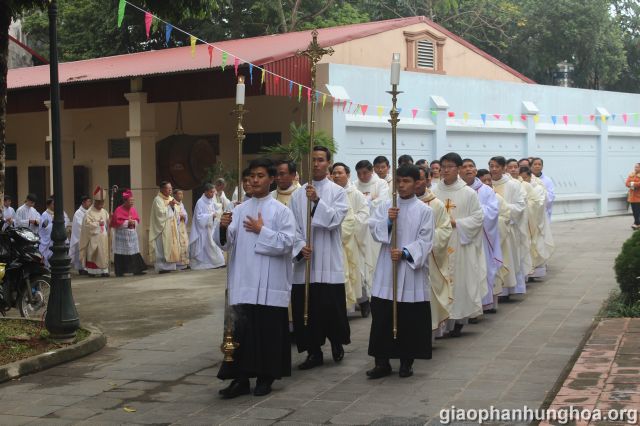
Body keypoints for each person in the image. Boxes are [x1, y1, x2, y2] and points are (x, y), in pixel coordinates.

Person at [214, 158, 296, 399]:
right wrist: (222, 226)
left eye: (260, 176)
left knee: (266, 331)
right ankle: (239, 378)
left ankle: (265, 377)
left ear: (271, 179)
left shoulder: (282, 211)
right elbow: (226, 242)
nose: (255, 180)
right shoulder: (238, 210)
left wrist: (263, 231)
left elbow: (287, 243)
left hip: (270, 282)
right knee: (242, 332)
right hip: (243, 280)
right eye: (251, 176)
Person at [367, 164, 434, 379]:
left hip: (410, 271)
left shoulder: (425, 211)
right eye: (399, 181)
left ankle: (407, 361)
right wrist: (388, 221)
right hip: (387, 269)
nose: (402, 185)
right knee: (383, 316)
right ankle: (382, 361)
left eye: (406, 181)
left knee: (409, 319)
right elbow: (374, 230)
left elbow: (426, 241)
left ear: (417, 183)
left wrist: (405, 252)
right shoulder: (386, 205)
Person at [289, 146, 349, 370]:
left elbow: (334, 220)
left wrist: (316, 201)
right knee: (307, 308)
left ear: (328, 163)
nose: (316, 164)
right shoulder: (297, 194)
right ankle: (313, 351)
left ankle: (336, 342)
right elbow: (292, 226)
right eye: (313, 159)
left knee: (330, 307)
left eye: (321, 160)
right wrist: (299, 246)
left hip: (328, 258)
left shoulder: (337, 192)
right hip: (306, 261)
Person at [433, 153, 486, 337]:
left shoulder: (468, 193)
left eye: (450, 166)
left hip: (460, 242)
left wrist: (458, 223)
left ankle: (457, 321)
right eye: (443, 166)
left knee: (459, 281)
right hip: (440, 242)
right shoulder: (434, 191)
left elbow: (478, 218)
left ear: (458, 169)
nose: (445, 170)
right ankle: (440, 321)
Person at [461, 159, 502, 314]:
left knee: (482, 268)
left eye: (471, 166)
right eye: (464, 167)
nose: (468, 169)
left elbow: (493, 212)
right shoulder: (456, 190)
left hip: (481, 237)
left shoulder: (485, 190)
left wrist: (475, 213)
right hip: (461, 236)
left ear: (476, 170)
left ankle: (483, 303)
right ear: (459, 170)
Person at [415, 166, 452, 334]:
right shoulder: (397, 203)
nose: (416, 183)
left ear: (428, 179)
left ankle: (430, 333)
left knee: (429, 295)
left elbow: (445, 230)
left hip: (429, 259)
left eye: (420, 179)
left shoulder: (435, 204)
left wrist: (423, 239)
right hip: (406, 259)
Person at [331, 162, 371, 316]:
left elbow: (364, 215)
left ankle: (364, 302)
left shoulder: (356, 194)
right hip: (336, 237)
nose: (336, 176)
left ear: (347, 175)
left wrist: (350, 221)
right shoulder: (331, 192)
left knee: (356, 272)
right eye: (334, 173)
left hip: (352, 238)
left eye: (340, 173)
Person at [490, 156, 527, 297]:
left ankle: (507, 290)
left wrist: (501, 207)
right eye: (491, 166)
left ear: (503, 168)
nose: (494, 169)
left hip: (508, 228)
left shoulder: (513, 184)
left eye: (497, 166)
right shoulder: (486, 183)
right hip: (491, 228)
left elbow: (520, 206)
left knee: (509, 258)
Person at [520, 166, 554, 278]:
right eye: (522, 178)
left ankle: (537, 271)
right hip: (525, 221)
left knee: (537, 244)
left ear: (530, 176)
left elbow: (539, 203)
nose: (524, 180)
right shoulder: (519, 186)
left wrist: (528, 206)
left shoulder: (537, 187)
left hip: (536, 221)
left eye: (526, 178)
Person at [111, 190, 147, 277]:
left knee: (134, 251)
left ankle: (137, 270)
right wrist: (127, 222)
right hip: (122, 235)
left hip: (131, 234)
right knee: (121, 253)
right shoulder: (118, 210)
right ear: (125, 201)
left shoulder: (133, 209)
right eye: (130, 201)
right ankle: (120, 271)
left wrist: (133, 222)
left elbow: (137, 220)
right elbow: (116, 222)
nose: (132, 202)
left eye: (133, 201)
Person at [189, 183, 226, 270]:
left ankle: (218, 263)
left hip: (211, 227)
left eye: (213, 192)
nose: (212, 194)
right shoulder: (200, 202)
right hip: (203, 230)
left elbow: (216, 208)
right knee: (208, 247)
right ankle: (206, 264)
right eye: (210, 192)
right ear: (205, 192)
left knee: (213, 245)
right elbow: (198, 217)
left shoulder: (211, 200)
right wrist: (210, 216)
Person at [149, 181, 181, 274]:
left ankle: (170, 266)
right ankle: (162, 267)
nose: (170, 189)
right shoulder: (157, 200)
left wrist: (174, 207)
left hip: (171, 227)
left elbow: (176, 212)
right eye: (168, 188)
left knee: (171, 245)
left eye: (171, 188)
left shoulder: (171, 198)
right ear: (162, 189)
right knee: (162, 247)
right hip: (162, 228)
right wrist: (170, 206)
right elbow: (160, 214)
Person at [79, 187, 110, 278]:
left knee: (103, 253)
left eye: (102, 202)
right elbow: (87, 226)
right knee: (96, 253)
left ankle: (104, 270)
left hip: (103, 238)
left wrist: (110, 221)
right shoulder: (89, 212)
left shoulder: (104, 212)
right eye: (100, 202)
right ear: (95, 202)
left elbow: (108, 222)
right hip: (94, 238)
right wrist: (97, 224)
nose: (101, 204)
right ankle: (93, 271)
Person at [38, 197, 70, 267]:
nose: (55, 206)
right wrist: (54, 223)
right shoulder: (44, 214)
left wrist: (60, 224)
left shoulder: (60, 212)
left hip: (59, 236)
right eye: (53, 204)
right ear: (48, 205)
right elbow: (44, 227)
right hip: (49, 238)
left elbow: (66, 220)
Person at [69, 196, 92, 274]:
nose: (89, 203)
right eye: (88, 202)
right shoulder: (78, 213)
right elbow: (79, 225)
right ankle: (81, 269)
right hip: (80, 236)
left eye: (90, 202)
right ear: (83, 202)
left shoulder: (89, 212)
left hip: (88, 235)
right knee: (81, 252)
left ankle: (87, 267)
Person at [173, 189, 190, 270]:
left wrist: (184, 216)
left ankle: (185, 263)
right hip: (177, 227)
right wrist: (180, 216)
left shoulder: (181, 204)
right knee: (178, 244)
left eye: (182, 194)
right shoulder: (173, 204)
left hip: (183, 227)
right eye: (179, 194)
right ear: (175, 195)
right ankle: (179, 264)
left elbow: (185, 214)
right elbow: (172, 216)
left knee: (185, 244)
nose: (181, 196)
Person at [626, 163, 640, 230]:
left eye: (637, 167)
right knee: (634, 211)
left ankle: (636, 223)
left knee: (637, 211)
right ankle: (637, 223)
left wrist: (632, 183)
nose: (635, 168)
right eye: (635, 167)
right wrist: (632, 184)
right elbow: (627, 183)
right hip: (632, 196)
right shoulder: (631, 174)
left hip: (638, 197)